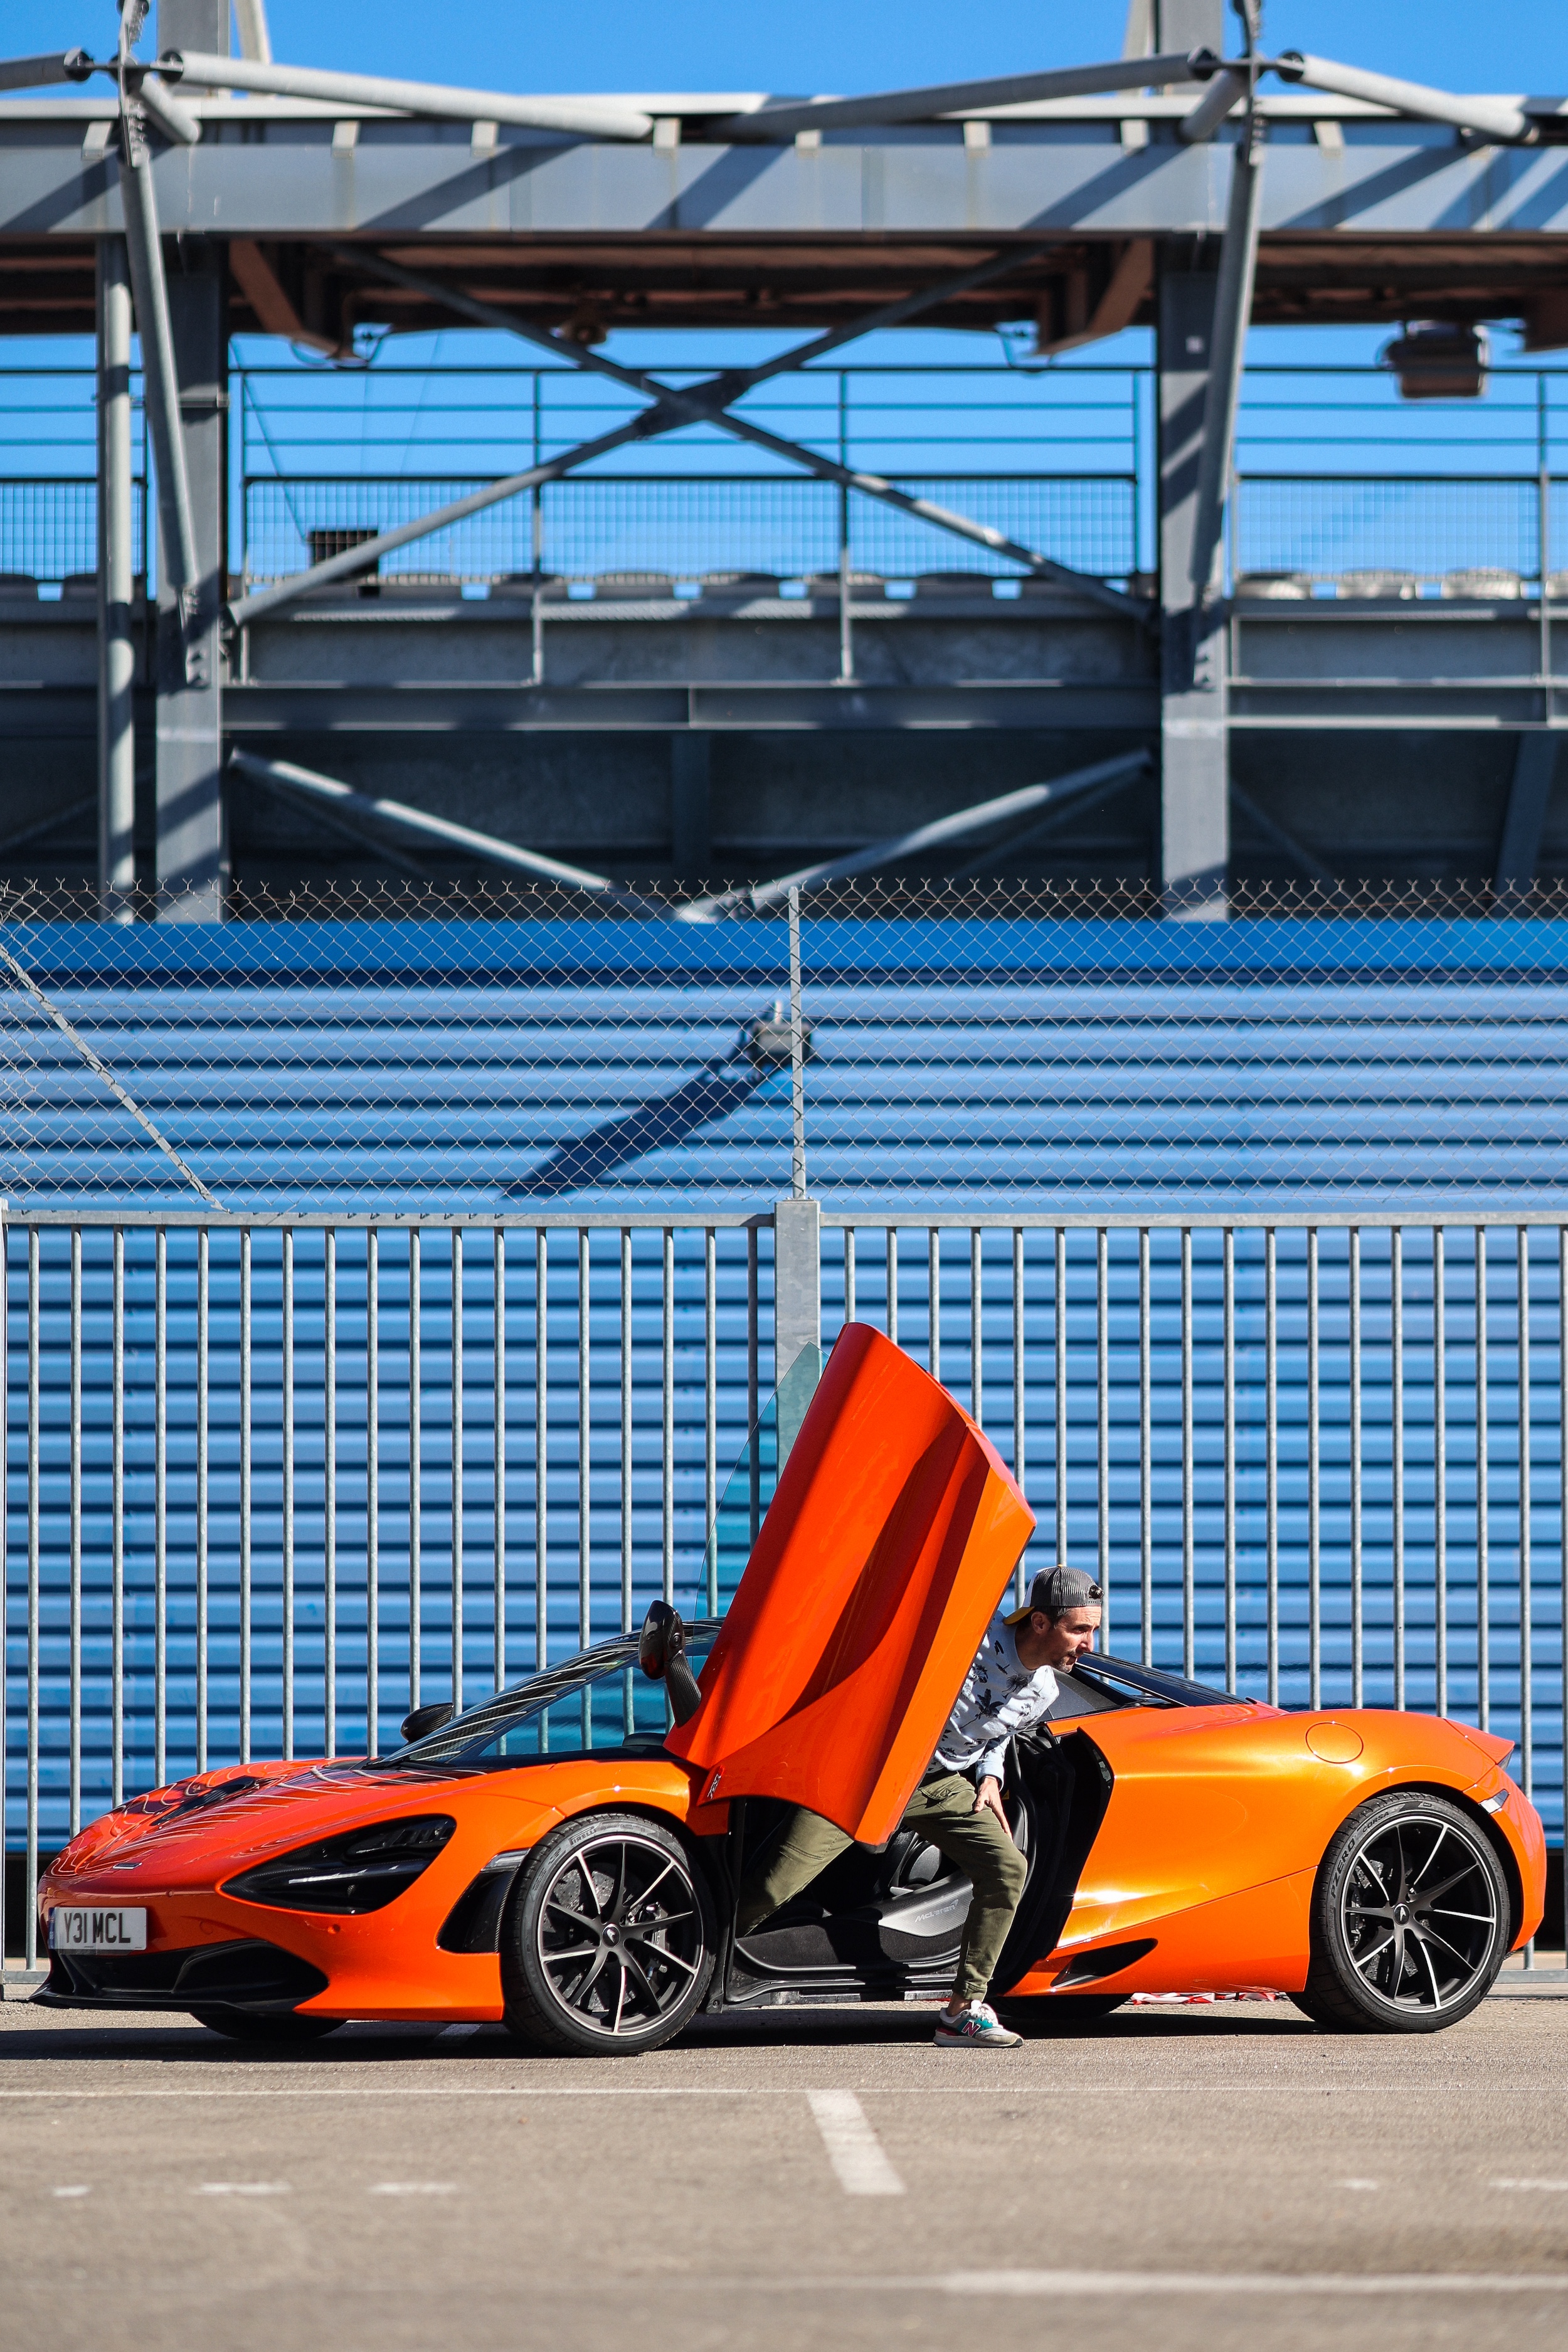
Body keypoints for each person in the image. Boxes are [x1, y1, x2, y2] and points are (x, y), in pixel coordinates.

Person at [734, 1562, 1104, 2047]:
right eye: (1079, 1629)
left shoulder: (1045, 1690)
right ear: (1039, 1622)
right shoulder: (966, 1640)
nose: (1089, 1643)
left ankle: (964, 2008)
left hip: (941, 1784)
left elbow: (1002, 1731)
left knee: (1007, 1869)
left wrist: (991, 1777)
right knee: (773, 1883)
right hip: (870, 1773)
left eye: (1093, 1630)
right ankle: (682, 1961)